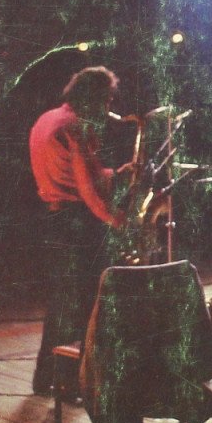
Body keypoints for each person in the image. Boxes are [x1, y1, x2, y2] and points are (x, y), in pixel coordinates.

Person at [28, 66, 131, 395]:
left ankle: (46, 378)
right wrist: (122, 222)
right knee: (87, 304)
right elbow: (89, 193)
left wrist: (117, 174)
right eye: (107, 99)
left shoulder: (47, 119)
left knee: (61, 303)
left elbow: (76, 173)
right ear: (93, 96)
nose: (109, 107)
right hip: (77, 224)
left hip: (54, 219)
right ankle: (76, 382)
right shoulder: (77, 127)